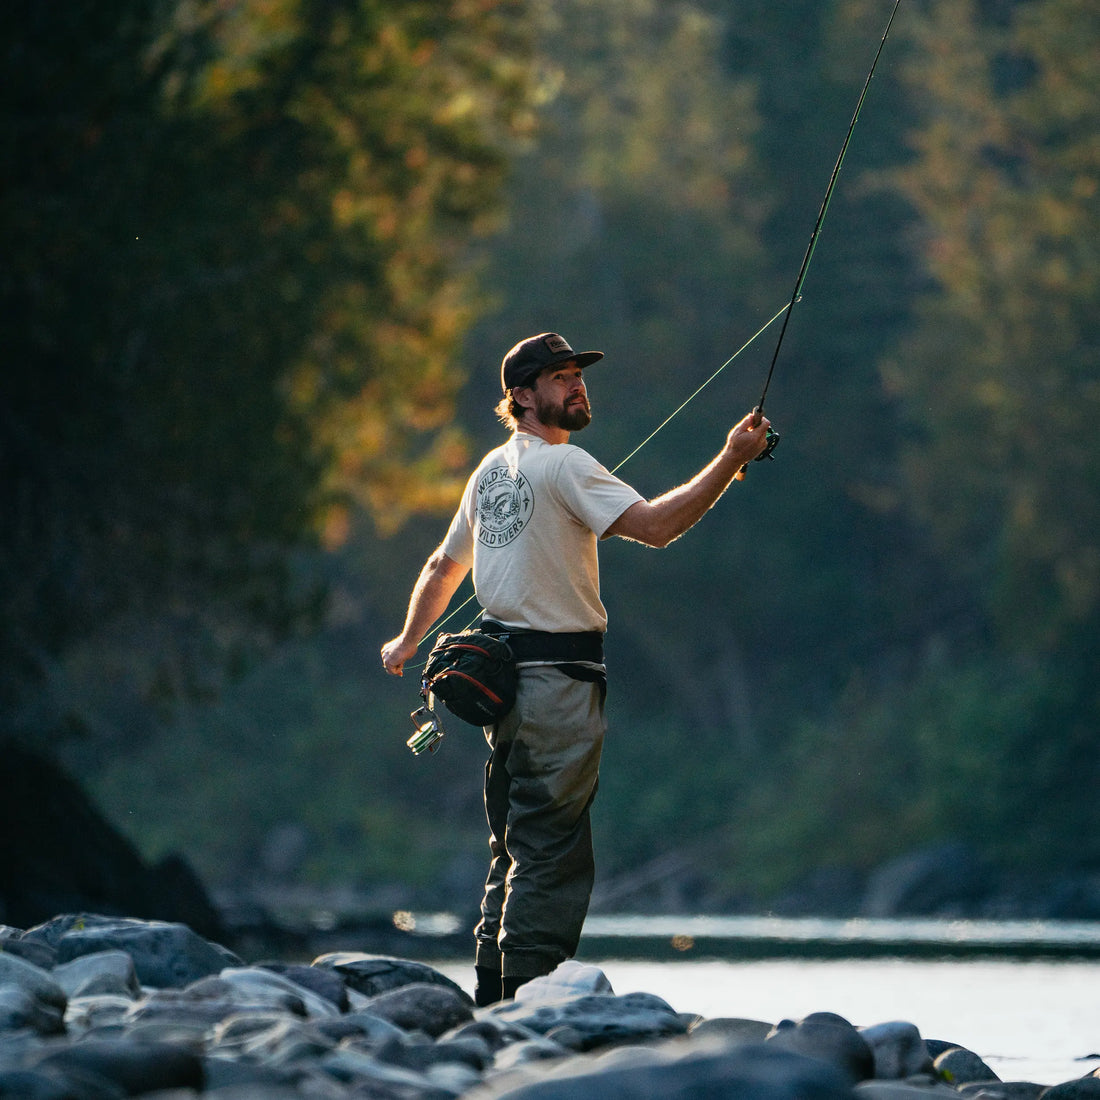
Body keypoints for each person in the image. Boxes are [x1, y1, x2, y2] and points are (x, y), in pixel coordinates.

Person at [381, 332, 771, 1005]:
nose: (577, 387)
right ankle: (529, 1011)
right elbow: (656, 526)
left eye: (577, 375)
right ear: (523, 396)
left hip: (504, 694)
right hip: (557, 689)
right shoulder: (564, 468)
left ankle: (493, 1005)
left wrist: (408, 639)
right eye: (559, 378)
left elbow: (444, 566)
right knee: (551, 851)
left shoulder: (491, 471)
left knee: (514, 846)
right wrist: (732, 457)